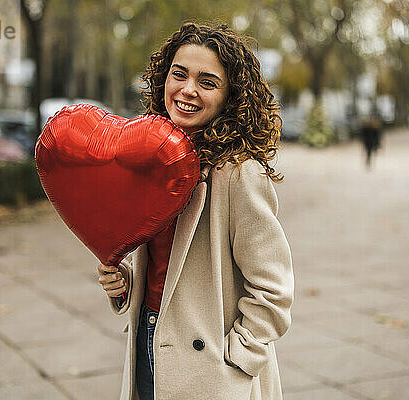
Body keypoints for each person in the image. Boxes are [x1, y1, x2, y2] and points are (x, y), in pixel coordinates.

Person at [97, 22, 294, 400]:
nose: (187, 90)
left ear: (228, 96)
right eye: (179, 74)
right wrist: (123, 283)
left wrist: (239, 357)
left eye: (207, 81)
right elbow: (163, 268)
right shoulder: (152, 163)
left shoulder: (238, 173)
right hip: (147, 337)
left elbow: (274, 290)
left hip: (211, 367)